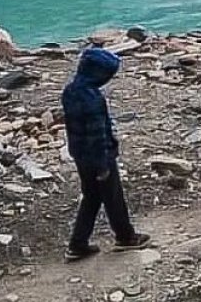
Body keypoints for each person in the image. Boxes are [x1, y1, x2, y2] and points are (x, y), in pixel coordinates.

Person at [62, 46, 150, 262]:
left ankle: (78, 244)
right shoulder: (93, 99)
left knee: (91, 198)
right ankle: (125, 237)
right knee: (113, 197)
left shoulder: (71, 90)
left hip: (80, 155)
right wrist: (103, 165)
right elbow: (98, 135)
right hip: (99, 158)